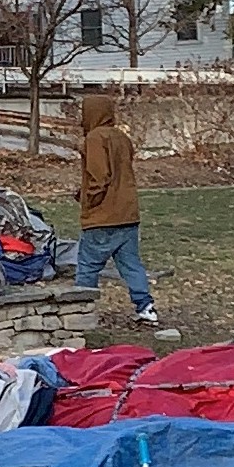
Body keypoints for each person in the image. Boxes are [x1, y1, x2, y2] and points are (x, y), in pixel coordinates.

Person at [75, 94, 157, 326]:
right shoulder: (122, 138)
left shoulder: (94, 138)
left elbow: (100, 177)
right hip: (127, 213)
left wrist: (89, 200)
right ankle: (145, 307)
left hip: (102, 216)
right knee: (131, 264)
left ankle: (82, 310)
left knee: (88, 265)